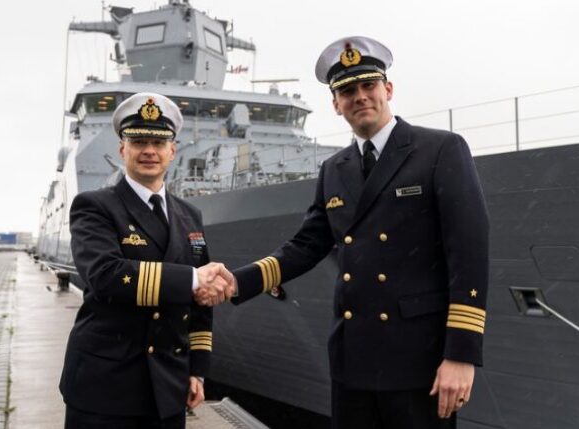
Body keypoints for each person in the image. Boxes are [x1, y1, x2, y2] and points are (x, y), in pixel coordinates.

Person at [227, 36, 490, 428]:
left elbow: (469, 253)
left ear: (388, 89)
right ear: (336, 104)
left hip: (420, 359)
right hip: (353, 360)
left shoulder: (439, 150)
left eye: (369, 85)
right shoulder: (334, 169)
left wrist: (461, 355)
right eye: (348, 91)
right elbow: (307, 245)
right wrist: (237, 282)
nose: (360, 97)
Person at [59, 92, 235, 428]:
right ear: (122, 149)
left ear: (173, 150)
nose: (149, 151)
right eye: (139, 142)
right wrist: (193, 278)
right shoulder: (94, 206)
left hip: (168, 385)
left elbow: (200, 306)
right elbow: (106, 276)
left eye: (158, 142)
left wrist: (197, 369)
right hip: (105, 387)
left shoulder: (190, 215)